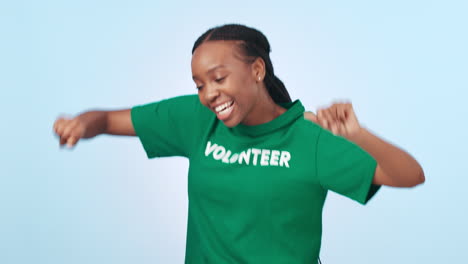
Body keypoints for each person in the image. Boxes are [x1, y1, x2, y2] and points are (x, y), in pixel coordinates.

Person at [53, 23, 425, 263]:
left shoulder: (309, 138)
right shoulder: (198, 121)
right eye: (199, 84)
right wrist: (81, 125)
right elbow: (107, 120)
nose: (209, 94)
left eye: (218, 78)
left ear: (257, 71)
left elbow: (410, 175)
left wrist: (358, 135)